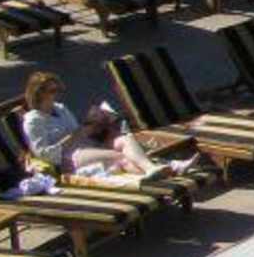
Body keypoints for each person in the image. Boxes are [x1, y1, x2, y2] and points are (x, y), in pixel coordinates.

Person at [20, 71, 159, 180]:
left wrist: (94, 126)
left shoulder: (60, 108)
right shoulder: (33, 120)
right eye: (52, 91)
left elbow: (78, 131)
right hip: (69, 158)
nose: (57, 94)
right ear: (39, 93)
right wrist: (73, 136)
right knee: (120, 157)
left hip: (87, 145)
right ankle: (157, 181)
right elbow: (44, 154)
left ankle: (152, 169)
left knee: (125, 139)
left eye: (58, 90)